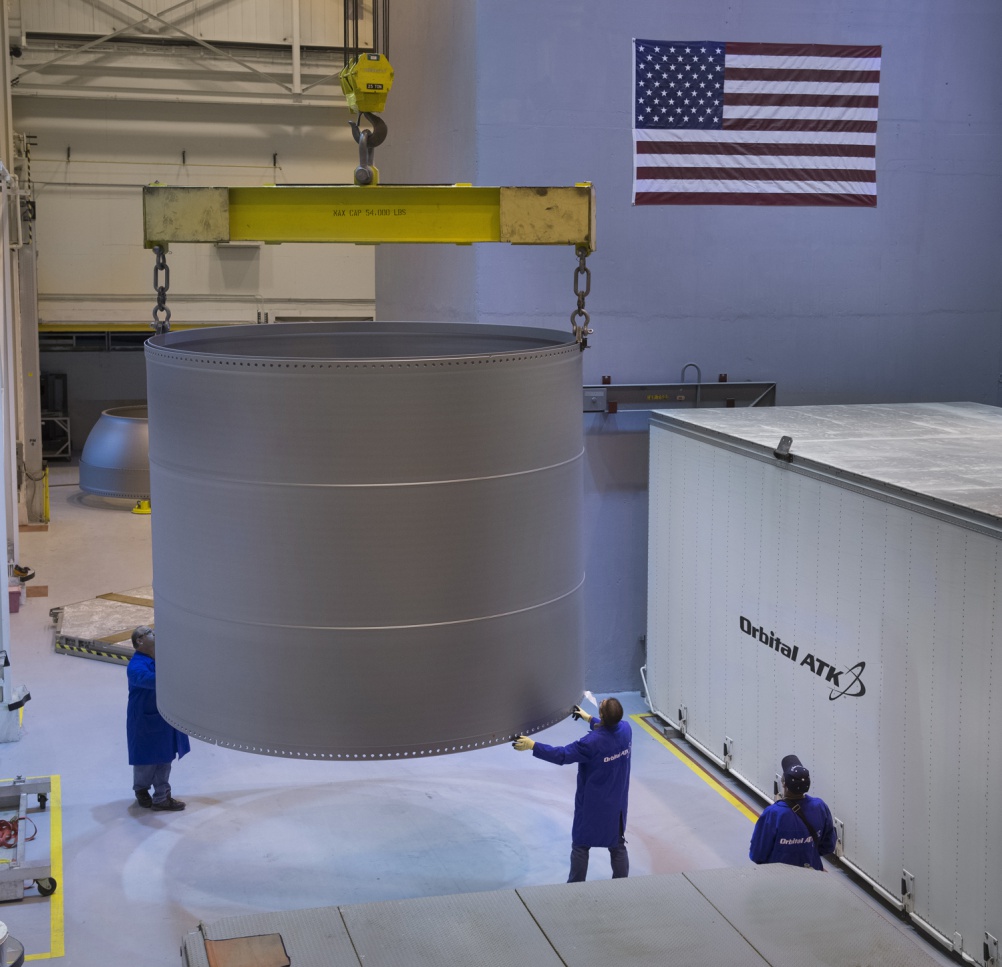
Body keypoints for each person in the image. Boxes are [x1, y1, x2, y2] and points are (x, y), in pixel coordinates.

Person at [513, 697, 632, 882]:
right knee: (617, 844)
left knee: (581, 845)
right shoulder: (626, 730)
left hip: (592, 806)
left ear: (602, 714)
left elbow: (562, 755)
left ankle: (575, 887)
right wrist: (589, 718)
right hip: (617, 804)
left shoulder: (590, 743)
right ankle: (622, 883)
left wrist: (533, 746)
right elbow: (608, 728)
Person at [127, 626, 190, 811]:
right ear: (140, 640)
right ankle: (141, 790)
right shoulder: (136, 665)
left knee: (165, 758)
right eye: (150, 633)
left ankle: (162, 796)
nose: (154, 634)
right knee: (145, 761)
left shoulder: (160, 658)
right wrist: (171, 676)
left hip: (164, 718)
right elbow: (145, 679)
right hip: (145, 720)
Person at [749, 754, 836, 870]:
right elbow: (828, 846)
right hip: (812, 875)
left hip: (779, 879)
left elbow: (757, 854)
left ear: (784, 784)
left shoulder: (773, 814)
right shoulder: (820, 807)